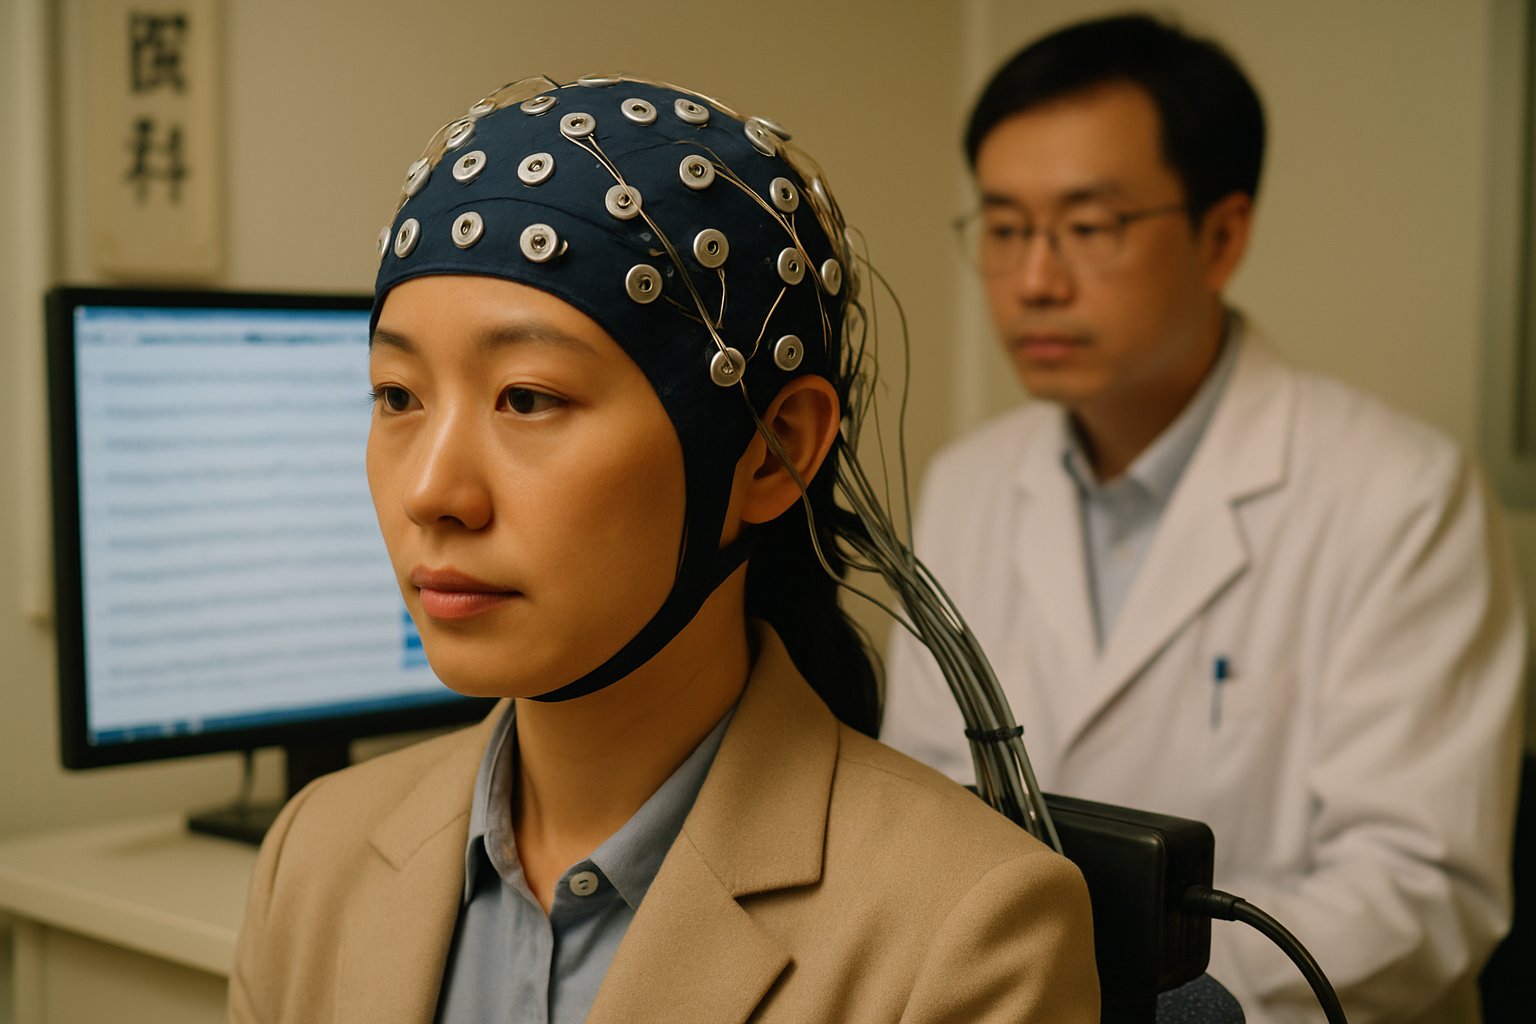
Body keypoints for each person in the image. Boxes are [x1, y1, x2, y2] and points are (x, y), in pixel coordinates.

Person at [228, 74, 1098, 1023]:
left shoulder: (967, 932)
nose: (433, 492)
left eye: (528, 397)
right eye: (398, 397)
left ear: (773, 451)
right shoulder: (314, 854)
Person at [881, 13, 1526, 1024]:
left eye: (1089, 228)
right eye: (1005, 229)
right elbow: (919, 805)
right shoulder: (967, 484)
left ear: (1221, 235)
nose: (1035, 281)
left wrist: (1159, 1004)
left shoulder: (1401, 492)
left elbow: (1420, 884)